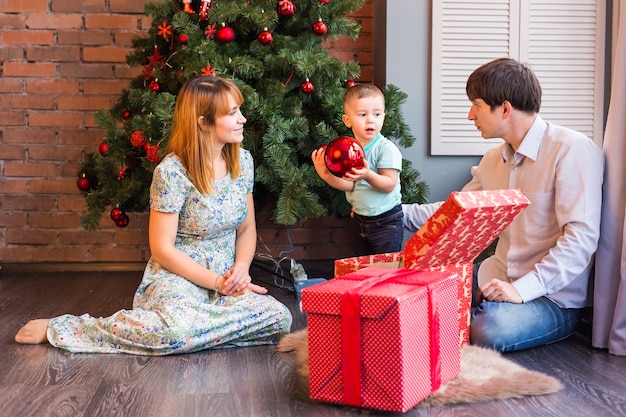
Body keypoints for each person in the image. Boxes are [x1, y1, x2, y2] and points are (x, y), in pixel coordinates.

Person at [15, 76, 293, 355]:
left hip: (228, 279)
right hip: (179, 277)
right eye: (233, 114)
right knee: (173, 331)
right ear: (204, 122)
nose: (243, 119)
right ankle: (67, 329)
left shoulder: (242, 161)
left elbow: (246, 229)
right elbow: (162, 249)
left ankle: (193, 336)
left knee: (280, 318)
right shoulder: (171, 172)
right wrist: (217, 283)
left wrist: (241, 271)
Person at [403, 58, 604, 352]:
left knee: (488, 329)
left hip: (551, 298)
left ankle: (463, 321)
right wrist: (396, 213)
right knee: (414, 292)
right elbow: (454, 212)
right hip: (494, 275)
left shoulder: (572, 150)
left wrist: (520, 290)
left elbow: (581, 241)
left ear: (506, 109)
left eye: (477, 105)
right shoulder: (493, 159)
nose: (470, 115)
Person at [311, 83, 404, 255]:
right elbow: (350, 185)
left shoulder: (386, 149)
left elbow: (389, 184)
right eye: (362, 114)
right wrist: (325, 174)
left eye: (377, 114)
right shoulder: (349, 150)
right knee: (364, 267)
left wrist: (368, 174)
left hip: (386, 221)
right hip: (361, 220)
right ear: (347, 120)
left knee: (386, 269)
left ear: (384, 116)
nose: (371, 120)